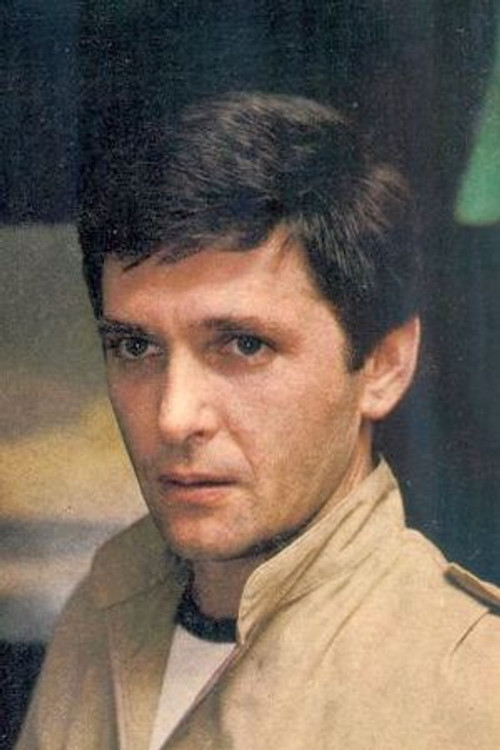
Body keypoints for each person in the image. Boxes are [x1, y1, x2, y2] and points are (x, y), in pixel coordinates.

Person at [16, 93, 500, 750]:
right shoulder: (99, 608)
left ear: (384, 365)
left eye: (244, 345)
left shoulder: (474, 683)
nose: (174, 417)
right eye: (135, 346)